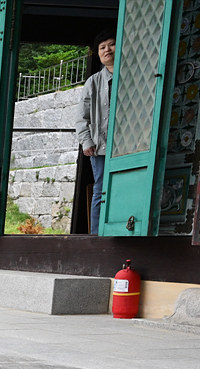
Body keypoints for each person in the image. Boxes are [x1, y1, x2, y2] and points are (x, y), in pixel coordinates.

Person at [76, 29, 116, 235]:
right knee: (101, 189)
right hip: (100, 146)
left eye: (111, 44)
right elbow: (82, 116)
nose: (107, 49)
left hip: (127, 145)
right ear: (98, 54)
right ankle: (96, 234)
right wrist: (86, 141)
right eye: (102, 47)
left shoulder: (132, 77)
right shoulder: (93, 82)